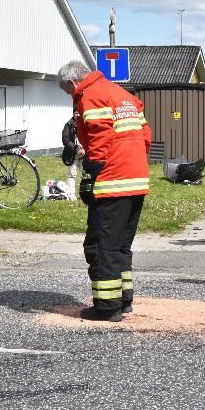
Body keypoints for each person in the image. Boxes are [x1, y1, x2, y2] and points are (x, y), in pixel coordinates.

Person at [57, 61, 152, 322]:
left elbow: (99, 136)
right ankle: (124, 299)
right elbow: (145, 135)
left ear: (72, 83)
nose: (71, 97)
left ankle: (107, 307)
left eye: (68, 92)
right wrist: (132, 161)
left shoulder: (92, 95)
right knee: (121, 245)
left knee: (101, 245)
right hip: (136, 178)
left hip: (113, 181)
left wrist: (92, 170)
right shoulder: (124, 96)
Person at [61, 109, 85, 201]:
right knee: (72, 174)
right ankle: (71, 195)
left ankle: (85, 194)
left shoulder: (85, 124)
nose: (78, 115)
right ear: (73, 114)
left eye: (79, 113)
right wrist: (76, 148)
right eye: (76, 113)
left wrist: (85, 149)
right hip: (73, 154)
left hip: (84, 154)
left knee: (85, 175)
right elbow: (65, 140)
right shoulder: (69, 124)